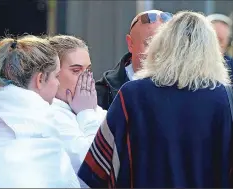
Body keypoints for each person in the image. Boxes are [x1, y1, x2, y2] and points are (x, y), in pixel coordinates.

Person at [78, 11, 233, 188]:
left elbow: (97, 170)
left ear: (162, 45)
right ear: (212, 51)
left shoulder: (132, 94)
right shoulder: (226, 99)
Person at [0, 35, 80, 188]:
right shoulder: (44, 142)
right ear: (40, 80)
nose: (58, 83)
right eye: (56, 76)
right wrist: (87, 117)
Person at [48, 35, 106, 184]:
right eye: (76, 70)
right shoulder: (49, 113)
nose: (85, 78)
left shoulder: (92, 108)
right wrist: (86, 113)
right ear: (53, 73)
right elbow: (93, 167)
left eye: (88, 70)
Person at [95, 10, 173, 110]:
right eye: (149, 43)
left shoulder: (188, 89)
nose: (157, 52)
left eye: (165, 45)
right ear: (130, 44)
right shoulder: (103, 93)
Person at [207, 13, 233, 82]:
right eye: (216, 39)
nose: (218, 45)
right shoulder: (194, 63)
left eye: (221, 40)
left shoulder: (231, 65)